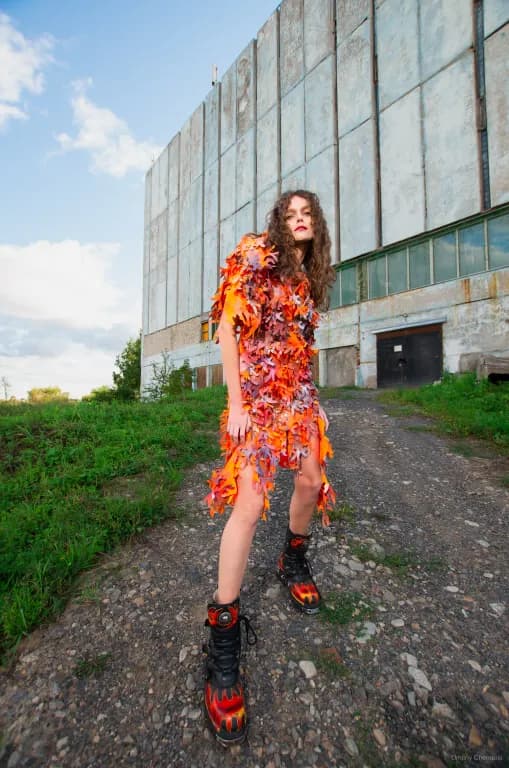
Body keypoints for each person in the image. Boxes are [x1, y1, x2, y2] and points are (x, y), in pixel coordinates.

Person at [202, 189, 337, 745]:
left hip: (297, 398)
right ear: (279, 221)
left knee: (312, 481)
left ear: (317, 224)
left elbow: (299, 345)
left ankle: (292, 560)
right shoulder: (257, 255)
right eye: (291, 213)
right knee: (250, 503)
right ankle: (222, 639)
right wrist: (236, 404)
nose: (299, 220)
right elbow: (229, 329)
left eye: (308, 214)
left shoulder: (310, 278)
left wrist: (311, 399)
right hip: (255, 399)